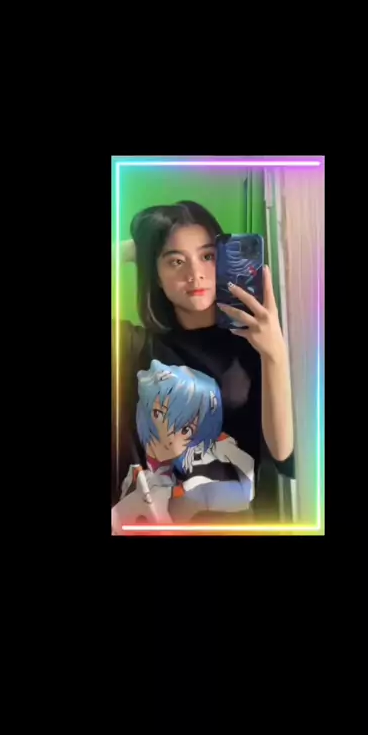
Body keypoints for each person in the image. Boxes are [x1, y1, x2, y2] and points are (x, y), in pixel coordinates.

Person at [112, 201, 294, 531]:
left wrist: (275, 354)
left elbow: (283, 455)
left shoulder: (251, 346)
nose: (194, 273)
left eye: (208, 256)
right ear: (156, 274)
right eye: (175, 261)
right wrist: (130, 250)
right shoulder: (134, 346)